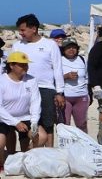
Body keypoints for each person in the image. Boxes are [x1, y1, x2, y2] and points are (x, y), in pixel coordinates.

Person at [12, 14, 65, 147]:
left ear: (34, 28)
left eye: (23, 30)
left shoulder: (50, 44)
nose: (20, 33)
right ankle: (26, 153)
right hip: (23, 88)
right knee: (26, 122)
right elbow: (11, 69)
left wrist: (60, 92)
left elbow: (58, 69)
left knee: (47, 124)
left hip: (46, 88)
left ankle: (49, 153)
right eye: (20, 30)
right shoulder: (17, 45)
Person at [0, 51, 45, 167]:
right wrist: (15, 122)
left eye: (26, 64)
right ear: (11, 65)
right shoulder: (2, 81)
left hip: (26, 117)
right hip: (4, 118)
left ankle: (25, 157)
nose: (25, 67)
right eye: (22, 64)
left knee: (41, 136)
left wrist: (34, 121)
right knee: (0, 142)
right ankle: (2, 164)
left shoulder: (31, 80)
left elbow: (35, 101)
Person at [60, 39, 90, 133]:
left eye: (73, 47)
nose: (71, 49)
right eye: (68, 47)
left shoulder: (82, 59)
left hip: (81, 97)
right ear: (63, 49)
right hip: (65, 97)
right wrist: (66, 76)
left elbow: (87, 77)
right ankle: (66, 147)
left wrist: (89, 93)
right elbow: (53, 78)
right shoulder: (59, 60)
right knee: (65, 125)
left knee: (82, 125)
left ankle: (85, 145)